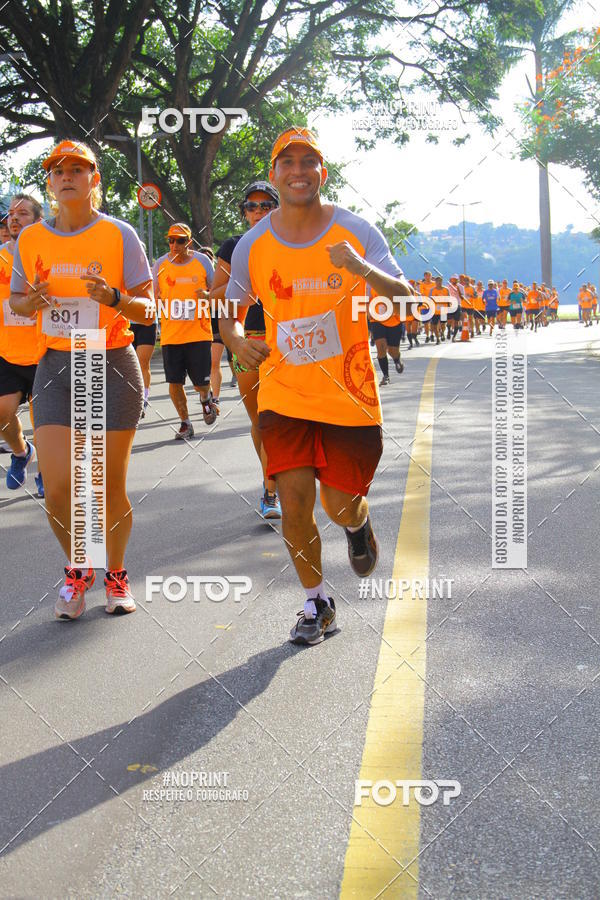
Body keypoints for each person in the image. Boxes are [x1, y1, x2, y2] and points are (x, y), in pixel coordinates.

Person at [220, 126, 411, 646]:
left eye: (309, 162)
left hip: (347, 394)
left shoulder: (356, 230)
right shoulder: (253, 244)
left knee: (337, 504)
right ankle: (316, 601)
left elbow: (404, 300)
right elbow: (229, 315)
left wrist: (359, 266)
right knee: (294, 499)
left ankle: (357, 522)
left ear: (323, 172)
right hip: (284, 390)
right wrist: (237, 344)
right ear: (274, 172)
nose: (298, 171)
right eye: (288, 162)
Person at [10, 140, 155, 619]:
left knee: (107, 486)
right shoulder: (30, 241)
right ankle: (78, 568)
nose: (67, 175)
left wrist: (114, 296)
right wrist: (30, 303)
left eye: (78, 168)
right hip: (55, 366)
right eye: (58, 170)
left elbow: (147, 305)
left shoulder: (119, 235)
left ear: (95, 179)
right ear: (50, 183)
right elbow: (17, 301)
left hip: (110, 361)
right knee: (56, 487)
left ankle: (115, 574)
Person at [208, 180, 282, 519]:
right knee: (262, 420)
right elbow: (216, 295)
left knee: (290, 417)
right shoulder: (234, 246)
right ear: (244, 213)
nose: (259, 211)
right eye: (252, 206)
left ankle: (286, 483)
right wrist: (249, 283)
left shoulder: (291, 244)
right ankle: (270, 489)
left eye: (266, 205)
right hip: (248, 339)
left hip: (288, 338)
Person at [0, 194, 44, 495]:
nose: (14, 218)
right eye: (11, 214)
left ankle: (47, 471)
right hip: (8, 352)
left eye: (23, 213)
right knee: (2, 414)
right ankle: (21, 452)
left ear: (38, 221)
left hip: (45, 351)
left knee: (44, 421)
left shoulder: (47, 256)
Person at [154, 223, 216, 437]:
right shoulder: (160, 264)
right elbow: (153, 296)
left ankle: (206, 397)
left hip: (199, 333)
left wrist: (209, 297)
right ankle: (185, 423)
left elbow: (217, 290)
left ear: (189, 242)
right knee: (174, 382)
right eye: (171, 240)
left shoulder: (203, 261)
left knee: (201, 383)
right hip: (171, 335)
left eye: (180, 240)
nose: (174, 245)